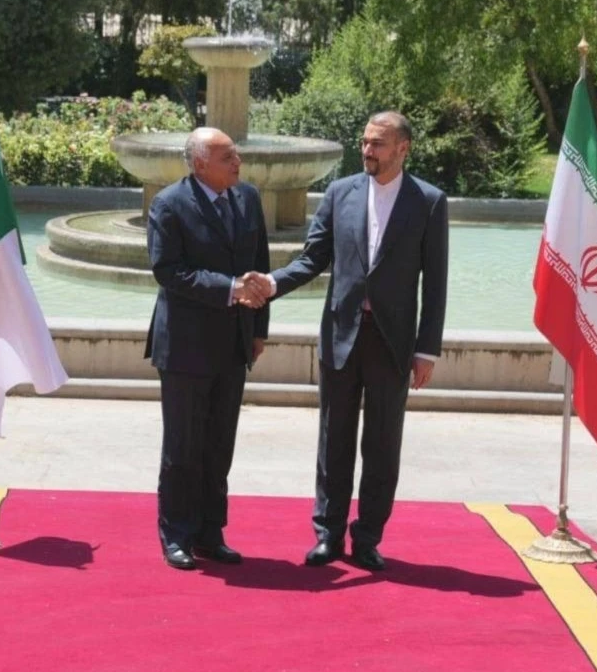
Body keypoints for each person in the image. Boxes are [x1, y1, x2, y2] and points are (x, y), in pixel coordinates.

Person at [253, 111, 448, 571]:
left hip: (393, 343)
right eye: (364, 142)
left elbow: (435, 283)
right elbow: (313, 258)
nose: (367, 150)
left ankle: (368, 538)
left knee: (382, 444)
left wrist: (426, 349)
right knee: (333, 439)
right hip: (341, 336)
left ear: (403, 148)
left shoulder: (430, 202)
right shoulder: (340, 193)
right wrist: (273, 283)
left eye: (377, 143)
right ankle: (328, 534)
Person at [145, 127, 272, 571]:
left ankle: (209, 532)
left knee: (219, 444)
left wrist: (258, 329)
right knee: (183, 445)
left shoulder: (248, 198)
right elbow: (169, 271)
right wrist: (229, 289)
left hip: (234, 344)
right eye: (227, 157)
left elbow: (261, 268)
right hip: (184, 346)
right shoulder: (169, 204)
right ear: (200, 164)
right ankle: (176, 534)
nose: (238, 163)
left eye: (236, 155)